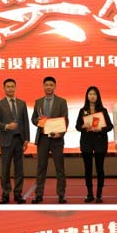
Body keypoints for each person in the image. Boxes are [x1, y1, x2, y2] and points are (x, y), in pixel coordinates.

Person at [31, 75, 69, 203]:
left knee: (60, 168)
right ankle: (39, 195)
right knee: (41, 168)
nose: (48, 87)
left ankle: (61, 195)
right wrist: (38, 121)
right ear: (43, 86)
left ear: (55, 86)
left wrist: (61, 133)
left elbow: (65, 119)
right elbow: (33, 119)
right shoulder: (38, 102)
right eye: (46, 85)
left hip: (57, 138)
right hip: (43, 138)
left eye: (51, 85)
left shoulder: (62, 101)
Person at [0, 77, 29, 204]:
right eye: (8, 87)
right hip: (6, 141)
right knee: (5, 169)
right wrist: (7, 126)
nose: (10, 89)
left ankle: (18, 193)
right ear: (4, 88)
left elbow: (25, 122)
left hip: (19, 140)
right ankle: (5, 194)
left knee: (19, 169)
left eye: (12, 86)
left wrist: (27, 139)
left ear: (15, 88)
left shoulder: (22, 103)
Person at [75, 85, 113, 203]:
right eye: (90, 94)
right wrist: (83, 126)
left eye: (94, 94)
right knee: (88, 170)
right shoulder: (82, 110)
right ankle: (89, 194)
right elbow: (77, 126)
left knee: (100, 169)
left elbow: (110, 126)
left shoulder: (103, 110)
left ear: (98, 96)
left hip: (100, 142)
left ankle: (99, 194)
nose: (92, 96)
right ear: (87, 96)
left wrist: (101, 129)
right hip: (86, 142)